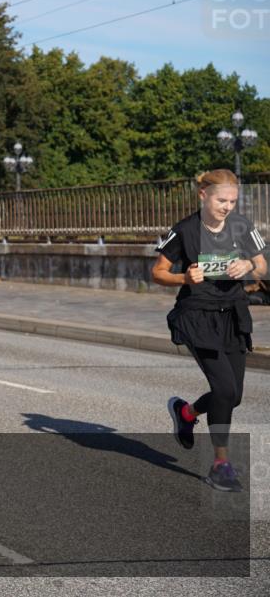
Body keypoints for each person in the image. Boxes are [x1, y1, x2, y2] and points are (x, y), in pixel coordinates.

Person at [154, 169, 265, 492]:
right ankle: (220, 465)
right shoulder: (184, 231)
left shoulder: (242, 226)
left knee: (234, 396)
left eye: (232, 200)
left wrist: (248, 266)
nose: (227, 206)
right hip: (198, 318)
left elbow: (263, 265)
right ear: (203, 195)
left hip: (233, 314)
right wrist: (184, 279)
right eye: (221, 200)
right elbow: (158, 272)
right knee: (225, 391)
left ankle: (187, 413)